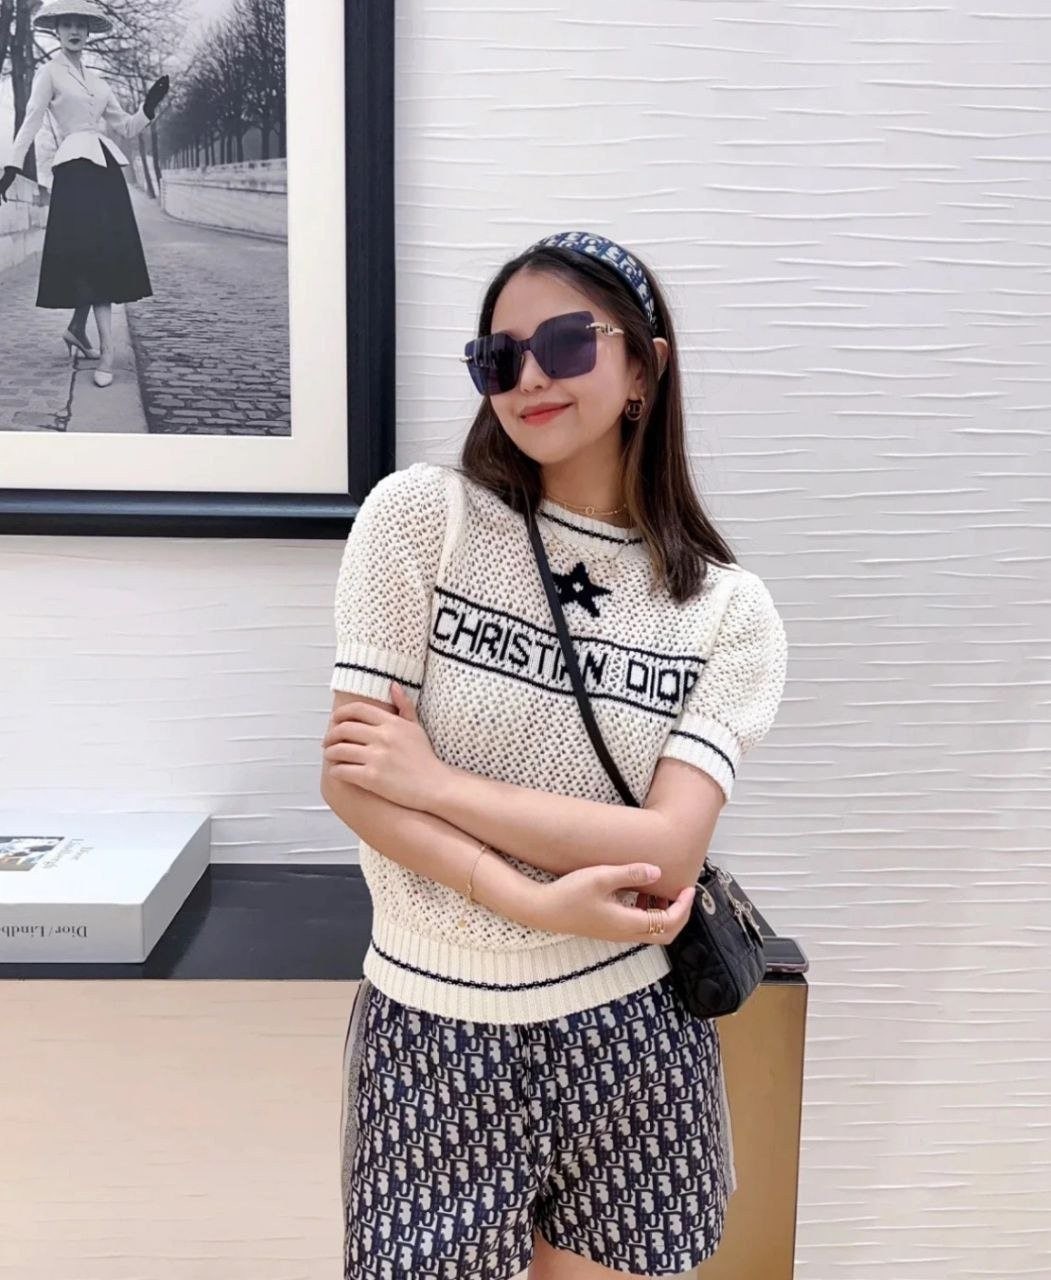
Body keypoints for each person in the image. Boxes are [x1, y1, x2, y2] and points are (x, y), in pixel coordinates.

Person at [321, 230, 789, 1279]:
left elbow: (668, 849)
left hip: (632, 1033)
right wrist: (525, 897)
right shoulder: (423, 520)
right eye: (499, 358)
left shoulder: (726, 610)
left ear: (644, 369)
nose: (529, 377)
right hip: (433, 1027)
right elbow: (354, 781)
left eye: (568, 343)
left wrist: (435, 784)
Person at [0, 0, 169, 389]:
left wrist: (148, 106)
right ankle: (107, 351)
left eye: (81, 25)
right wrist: (11, 167)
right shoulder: (48, 73)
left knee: (100, 254)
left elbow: (125, 128)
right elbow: (31, 120)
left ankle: (78, 329)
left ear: (89, 32)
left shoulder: (98, 82)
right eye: (67, 25)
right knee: (90, 254)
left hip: (105, 170)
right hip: (75, 171)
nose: (75, 31)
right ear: (57, 31)